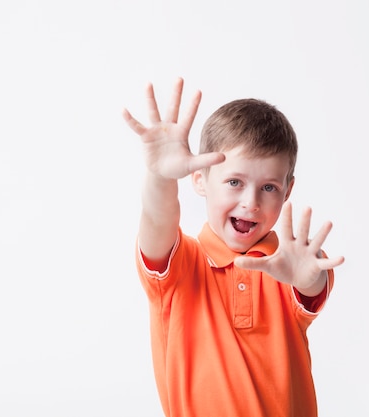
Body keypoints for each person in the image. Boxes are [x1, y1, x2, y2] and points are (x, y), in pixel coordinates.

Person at [123, 77, 344, 417]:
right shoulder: (182, 264)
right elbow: (157, 219)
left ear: (287, 191)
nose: (250, 202)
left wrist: (306, 279)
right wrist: (161, 177)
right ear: (200, 179)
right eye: (234, 182)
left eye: (268, 187)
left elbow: (312, 285)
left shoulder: (289, 263)